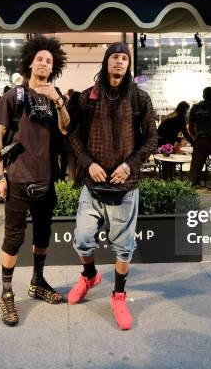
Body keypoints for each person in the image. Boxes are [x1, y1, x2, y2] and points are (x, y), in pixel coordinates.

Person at [67, 42, 157, 331]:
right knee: (82, 239)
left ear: (128, 64)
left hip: (125, 185)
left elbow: (152, 139)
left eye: (124, 58)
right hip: (92, 185)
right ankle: (89, 274)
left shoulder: (140, 99)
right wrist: (87, 163)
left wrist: (129, 164)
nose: (119, 62)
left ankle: (118, 295)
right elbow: (73, 136)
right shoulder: (86, 98)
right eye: (114, 58)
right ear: (106, 63)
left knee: (123, 248)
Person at [0, 35, 70, 327]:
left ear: (54, 67)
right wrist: (0, 176)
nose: (44, 63)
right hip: (17, 179)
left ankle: (38, 281)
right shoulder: (14, 96)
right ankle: (6, 293)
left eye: (49, 60)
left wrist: (58, 101)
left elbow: (65, 128)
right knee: (13, 238)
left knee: (42, 236)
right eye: (40, 58)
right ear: (29, 62)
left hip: (45, 179)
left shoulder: (55, 95)